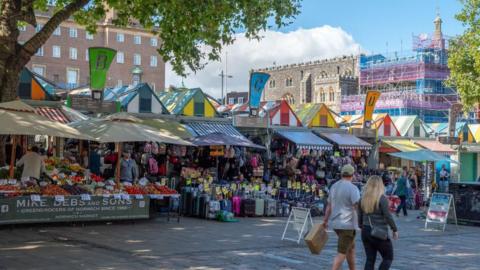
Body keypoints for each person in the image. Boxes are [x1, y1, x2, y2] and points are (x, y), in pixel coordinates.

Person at [323, 164, 361, 270]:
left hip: (335, 224)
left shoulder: (334, 186)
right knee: (342, 253)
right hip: (347, 224)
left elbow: (329, 206)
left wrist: (325, 220)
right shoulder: (353, 188)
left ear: (341, 174)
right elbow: (357, 206)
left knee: (351, 248)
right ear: (352, 175)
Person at [358, 176, 399, 270]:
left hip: (365, 231)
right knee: (388, 257)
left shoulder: (362, 199)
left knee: (370, 259)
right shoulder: (382, 199)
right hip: (379, 232)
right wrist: (394, 229)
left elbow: (359, 217)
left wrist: (362, 226)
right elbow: (388, 216)